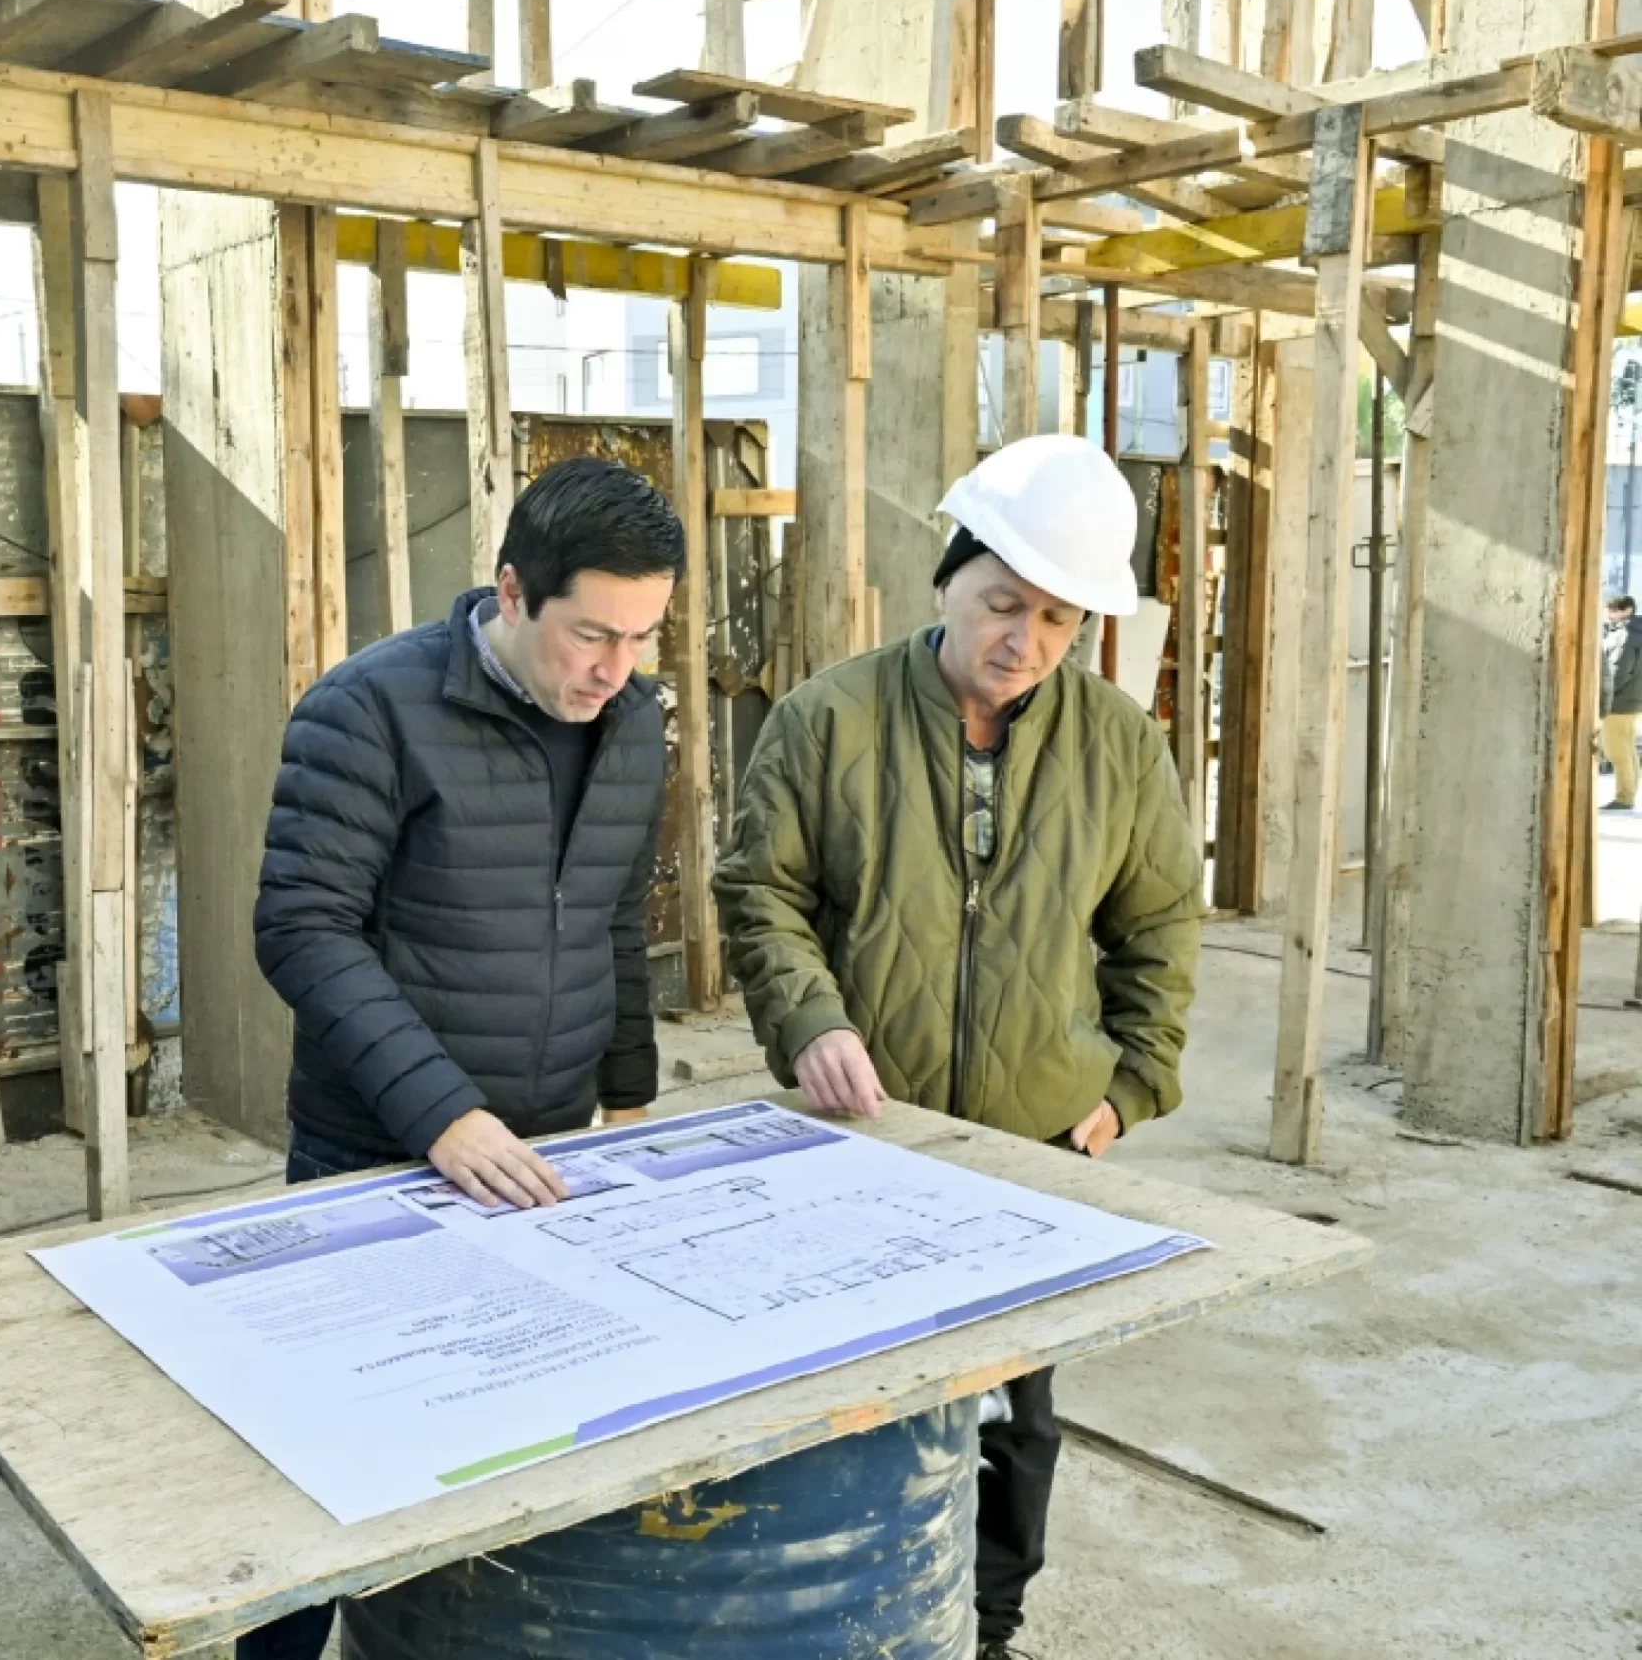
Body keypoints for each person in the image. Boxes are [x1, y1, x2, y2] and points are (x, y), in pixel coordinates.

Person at [713, 434, 1200, 1660]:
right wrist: (813, 1021)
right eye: (1000, 602)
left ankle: (987, 1628)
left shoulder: (1118, 745)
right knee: (841, 1395)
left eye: (1055, 618)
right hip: (865, 1129)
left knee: (1014, 1417)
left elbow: (1157, 926)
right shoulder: (828, 718)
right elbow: (759, 890)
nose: (1022, 639)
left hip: (1035, 1141)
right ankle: (839, 1617)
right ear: (947, 579)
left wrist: (1129, 1083)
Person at [241, 455, 682, 1660]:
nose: (615, 667)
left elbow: (613, 916)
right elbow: (302, 927)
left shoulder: (628, 719)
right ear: (512, 590)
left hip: (543, 1152)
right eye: (591, 633)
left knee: (502, 1452)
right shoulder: (369, 709)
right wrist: (440, 1111)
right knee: (328, 1462)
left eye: (641, 636)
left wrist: (628, 1096)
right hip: (375, 1149)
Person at [1603, 594, 1641, 810]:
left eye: (1614, 610)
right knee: (1627, 747)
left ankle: (1625, 797)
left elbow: (1618, 670)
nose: (1610, 614)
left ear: (1627, 610)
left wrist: (1604, 695)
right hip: (1634, 700)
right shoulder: (1636, 631)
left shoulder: (1625, 634)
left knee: (1617, 750)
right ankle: (1630, 792)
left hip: (1619, 702)